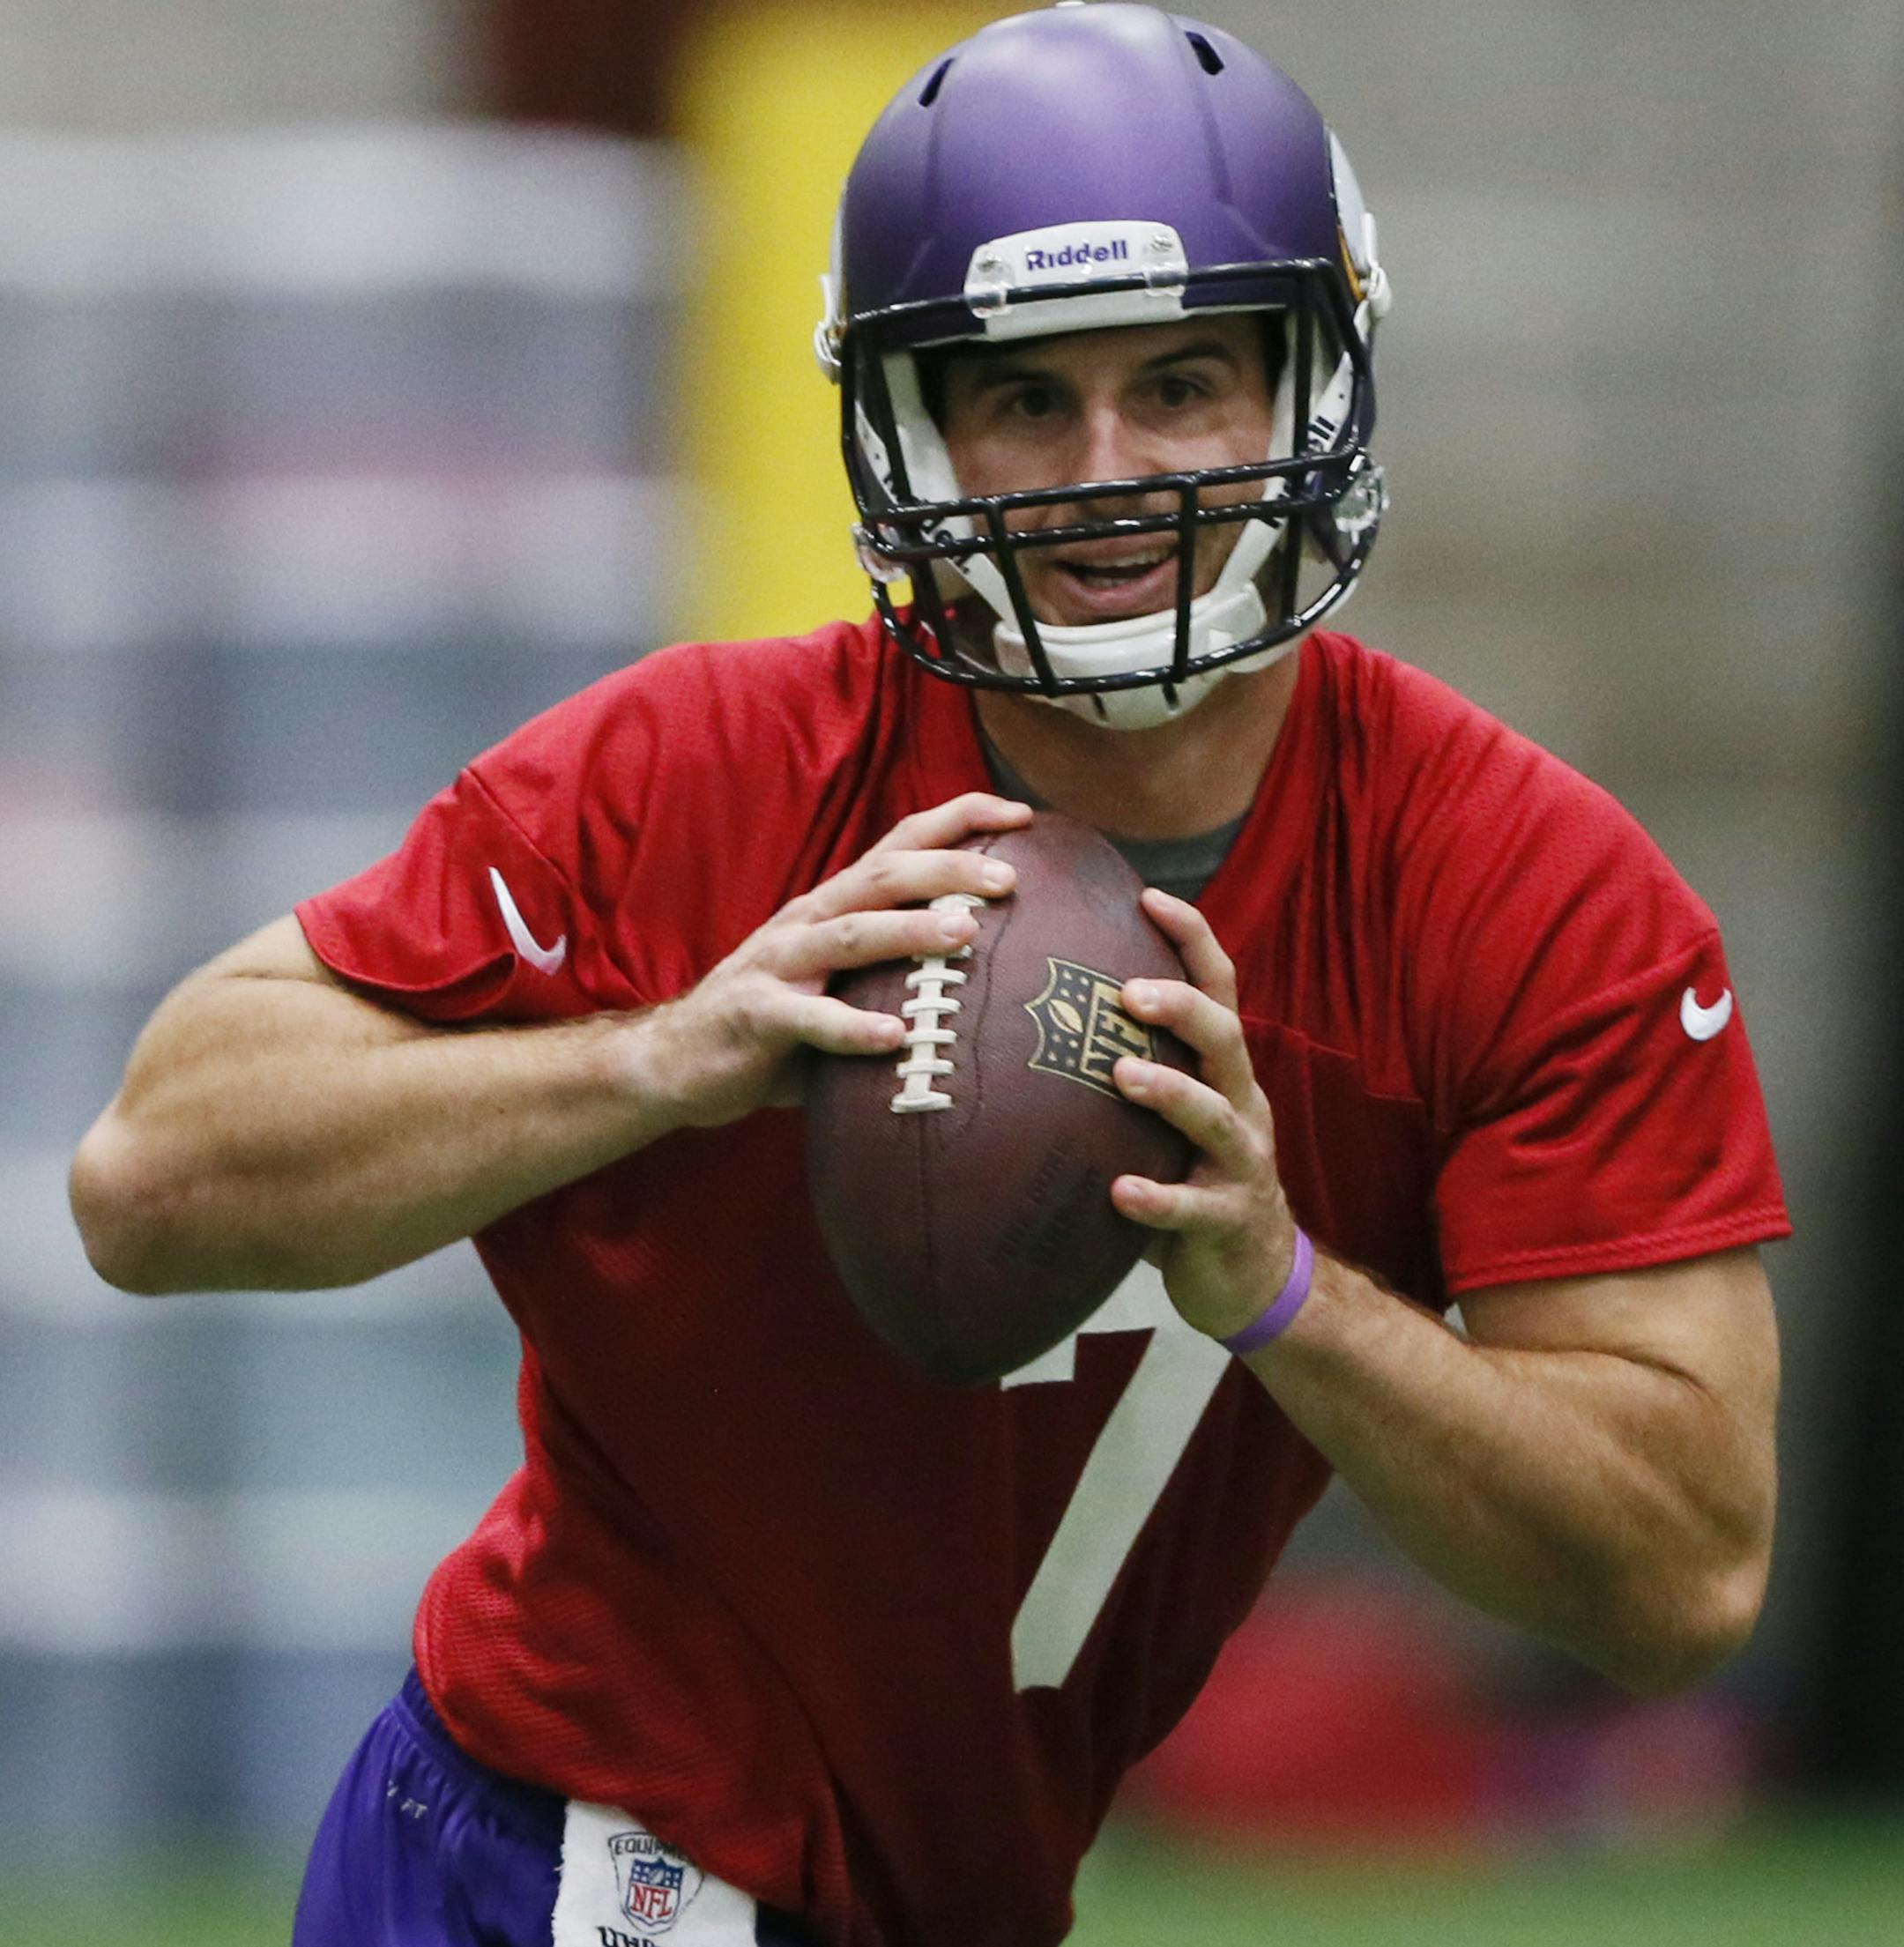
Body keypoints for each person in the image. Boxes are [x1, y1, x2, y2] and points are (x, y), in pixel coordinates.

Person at [68, 7, 1788, 1945]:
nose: (1106, 471)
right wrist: (662, 1058)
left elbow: (1688, 1574)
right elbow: (147, 1182)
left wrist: (1288, 1293)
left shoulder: (1528, 897)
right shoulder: (701, 773)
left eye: (1187, 380)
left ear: (1317, 378)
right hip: (550, 1862)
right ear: (909, 426)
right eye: (1022, 398)